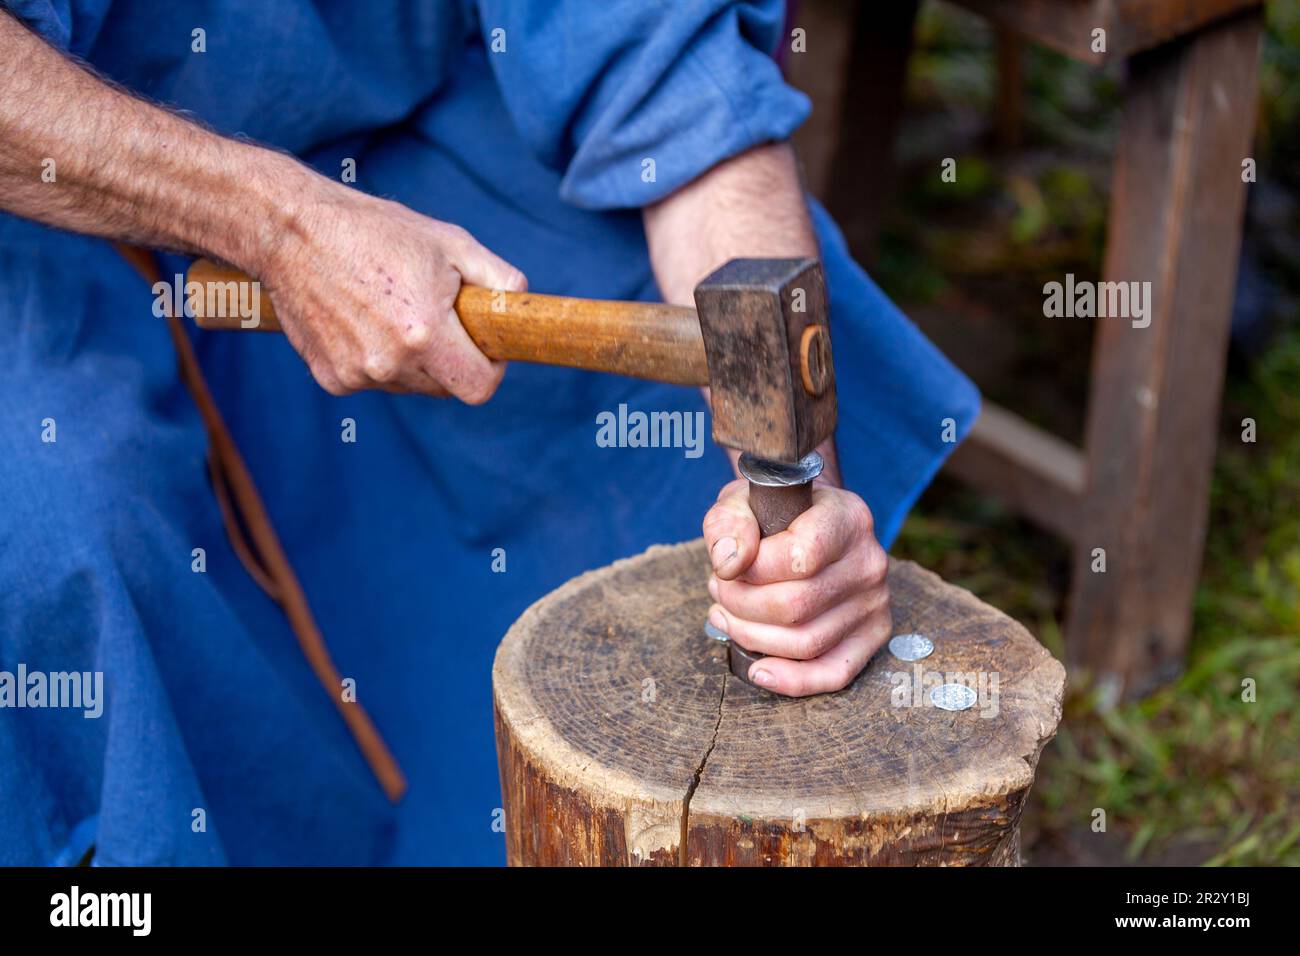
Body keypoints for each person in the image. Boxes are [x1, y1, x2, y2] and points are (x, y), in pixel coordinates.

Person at [0, 1, 978, 865]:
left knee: (651, 339)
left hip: (384, 143)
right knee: (71, 511)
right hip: (44, 189)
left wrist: (805, 508)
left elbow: (671, 77)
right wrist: (282, 227)